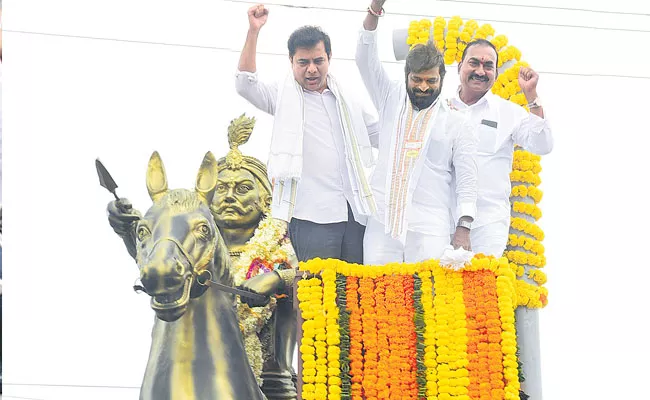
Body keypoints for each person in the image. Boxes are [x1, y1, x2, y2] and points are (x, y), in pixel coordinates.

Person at [107, 115, 300, 400]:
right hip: (190, 362)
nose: (230, 196)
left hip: (269, 380)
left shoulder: (281, 244)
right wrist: (129, 231)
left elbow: (309, 275)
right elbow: (157, 261)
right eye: (221, 188)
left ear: (265, 199)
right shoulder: (195, 241)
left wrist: (276, 278)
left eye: (243, 188)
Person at [235, 4, 379, 265]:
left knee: (357, 296)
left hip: (355, 213)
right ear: (291, 61)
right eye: (303, 62)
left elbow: (381, 134)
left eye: (318, 61)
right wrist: (253, 31)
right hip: (312, 217)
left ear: (329, 58)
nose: (311, 69)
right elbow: (245, 84)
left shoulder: (348, 100)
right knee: (319, 297)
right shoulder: (281, 96)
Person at [355, 0, 478, 264]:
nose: (423, 87)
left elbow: (467, 180)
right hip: (382, 224)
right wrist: (375, 9)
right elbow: (364, 59)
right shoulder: (390, 98)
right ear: (407, 76)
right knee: (379, 298)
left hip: (429, 228)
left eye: (431, 81)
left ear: (442, 79)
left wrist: (464, 227)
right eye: (417, 80)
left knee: (425, 301)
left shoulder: (457, 122)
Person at [449, 39, 554, 257]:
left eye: (488, 66)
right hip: (441, 220)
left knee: (482, 289)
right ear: (460, 67)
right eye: (474, 63)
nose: (480, 71)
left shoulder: (508, 112)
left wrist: (531, 96)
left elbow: (542, 144)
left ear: (496, 73)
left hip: (487, 223)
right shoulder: (441, 106)